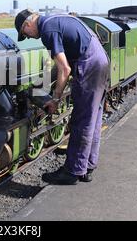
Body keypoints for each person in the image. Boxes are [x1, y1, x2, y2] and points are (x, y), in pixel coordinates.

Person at [14, 9, 109, 185]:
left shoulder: (47, 31)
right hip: (99, 60)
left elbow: (65, 69)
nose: (29, 37)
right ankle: (86, 167)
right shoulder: (55, 19)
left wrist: (55, 99)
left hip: (89, 65)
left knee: (82, 120)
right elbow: (60, 67)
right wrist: (41, 83)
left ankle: (72, 171)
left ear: (27, 24)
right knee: (93, 119)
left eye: (25, 34)